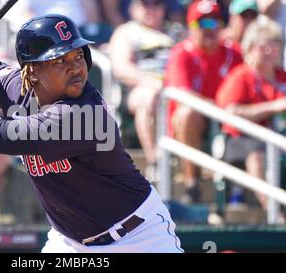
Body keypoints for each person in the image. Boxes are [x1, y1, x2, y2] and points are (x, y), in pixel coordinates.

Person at [0, 14, 182, 252]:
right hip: (69, 241)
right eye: (60, 60)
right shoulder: (24, 86)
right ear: (32, 72)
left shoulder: (83, 115)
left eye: (78, 56)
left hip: (137, 238)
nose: (75, 67)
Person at [164, 0, 243, 203]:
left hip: (226, 118)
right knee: (188, 113)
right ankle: (192, 185)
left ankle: (239, 194)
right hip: (193, 122)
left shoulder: (234, 52)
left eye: (214, 23)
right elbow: (183, 94)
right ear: (191, 27)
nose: (209, 29)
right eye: (202, 24)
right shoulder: (182, 52)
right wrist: (219, 107)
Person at [216, 18, 286, 210]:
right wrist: (274, 107)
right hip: (242, 139)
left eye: (275, 45)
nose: (271, 51)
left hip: (278, 139)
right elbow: (230, 111)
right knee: (257, 154)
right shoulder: (241, 76)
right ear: (251, 48)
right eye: (265, 46)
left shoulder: (282, 77)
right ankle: (274, 214)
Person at [108, 0, 174, 180]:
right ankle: (156, 162)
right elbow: (121, 68)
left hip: (174, 91)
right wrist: (154, 83)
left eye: (156, 3)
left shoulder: (176, 32)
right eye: (145, 4)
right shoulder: (126, 32)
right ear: (133, 8)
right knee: (149, 97)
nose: (151, 9)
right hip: (139, 89)